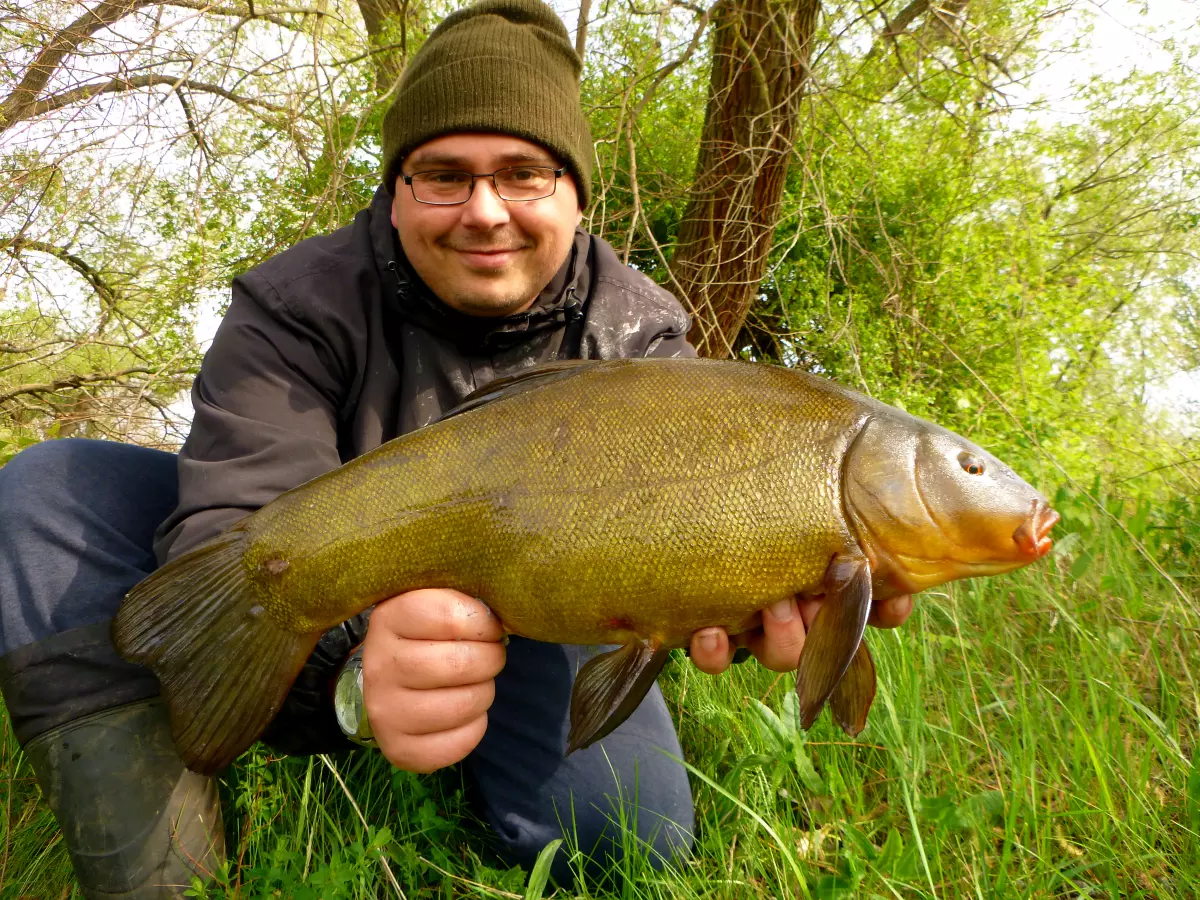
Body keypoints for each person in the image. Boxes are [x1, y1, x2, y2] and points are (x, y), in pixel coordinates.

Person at [0, 0, 914, 896]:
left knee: (628, 838)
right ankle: (167, 875)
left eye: (523, 173)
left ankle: (464, 750)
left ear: (574, 192)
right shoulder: (295, 304)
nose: (484, 211)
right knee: (50, 491)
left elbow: (697, 559)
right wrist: (354, 681)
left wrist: (759, 599)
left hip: (530, 608)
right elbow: (236, 527)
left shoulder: (638, 336)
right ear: (397, 188)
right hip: (335, 574)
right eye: (444, 174)